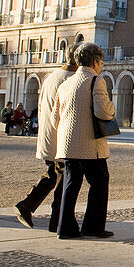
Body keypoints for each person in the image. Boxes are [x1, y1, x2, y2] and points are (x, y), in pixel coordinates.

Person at [53, 42, 116, 239]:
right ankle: (93, 226)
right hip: (89, 143)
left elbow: (55, 117)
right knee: (99, 182)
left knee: (71, 184)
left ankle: (65, 227)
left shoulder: (65, 84)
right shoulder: (96, 81)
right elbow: (103, 111)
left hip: (67, 143)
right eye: (101, 63)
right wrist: (112, 108)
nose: (101, 66)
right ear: (96, 62)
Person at [14, 47, 77, 231]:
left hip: (49, 136)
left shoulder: (52, 76)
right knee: (64, 179)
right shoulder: (71, 80)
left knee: (54, 175)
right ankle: (57, 221)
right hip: (61, 139)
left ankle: (27, 206)